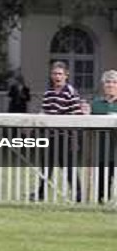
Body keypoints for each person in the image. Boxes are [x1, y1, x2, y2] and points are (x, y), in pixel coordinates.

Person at [31, 61, 85, 202]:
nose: (57, 77)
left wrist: (74, 139)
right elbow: (44, 112)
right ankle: (40, 193)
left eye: (60, 74)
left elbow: (76, 116)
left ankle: (78, 195)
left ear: (66, 75)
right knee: (45, 166)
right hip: (50, 135)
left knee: (68, 167)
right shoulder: (48, 93)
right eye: (55, 74)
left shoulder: (71, 92)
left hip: (65, 136)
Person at [90, 69, 117, 203]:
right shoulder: (96, 104)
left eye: (114, 82)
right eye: (107, 82)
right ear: (103, 85)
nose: (110, 85)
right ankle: (102, 203)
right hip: (102, 150)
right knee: (102, 179)